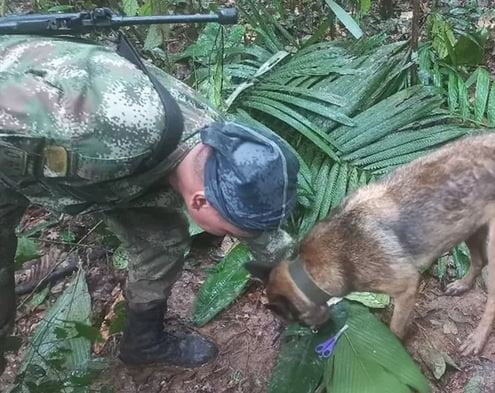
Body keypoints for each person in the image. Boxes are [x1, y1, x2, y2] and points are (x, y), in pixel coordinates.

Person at [0, 34, 299, 373]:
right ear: (200, 201)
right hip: (14, 144)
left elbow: (254, 224)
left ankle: (143, 342)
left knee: (162, 241)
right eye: (232, 232)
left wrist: (301, 283)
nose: (241, 236)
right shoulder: (109, 129)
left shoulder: (218, 147)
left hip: (99, 171)